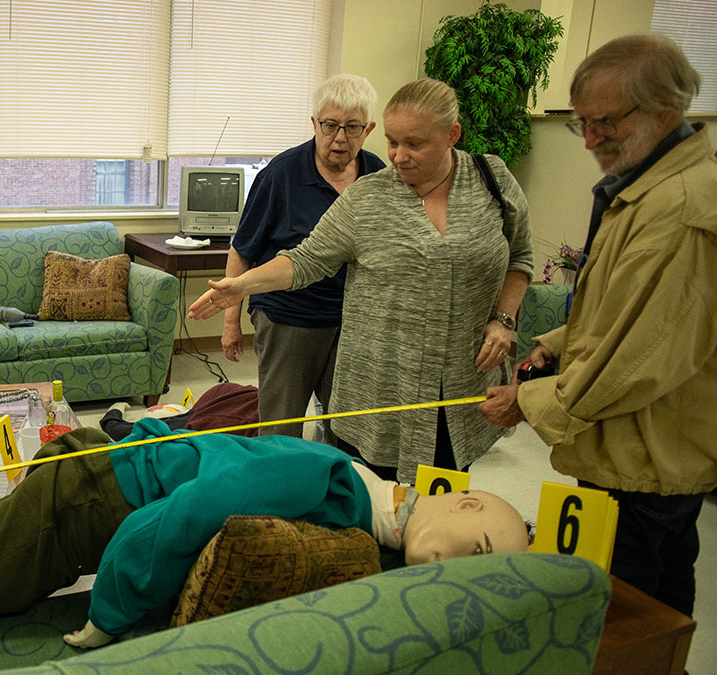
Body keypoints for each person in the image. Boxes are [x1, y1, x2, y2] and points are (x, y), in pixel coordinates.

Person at [0, 422, 530, 648]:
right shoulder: (331, 481)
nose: (465, 566)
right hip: (92, 493)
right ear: (459, 505)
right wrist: (110, 616)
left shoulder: (364, 509)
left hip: (102, 482)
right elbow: (184, 515)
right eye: (481, 549)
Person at [190, 78, 532, 483]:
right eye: (393, 143)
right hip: (377, 372)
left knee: (446, 494)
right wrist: (241, 286)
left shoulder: (492, 180)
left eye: (414, 144)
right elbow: (306, 259)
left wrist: (503, 318)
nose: (399, 156)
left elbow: (520, 255)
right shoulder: (366, 195)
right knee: (367, 487)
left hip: (460, 377)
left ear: (452, 135)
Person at [479, 34, 717, 618]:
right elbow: (619, 307)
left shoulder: (679, 210)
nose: (589, 140)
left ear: (665, 109)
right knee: (649, 592)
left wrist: (531, 402)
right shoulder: (644, 188)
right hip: (627, 444)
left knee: (634, 608)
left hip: (646, 454)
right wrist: (556, 346)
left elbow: (638, 357)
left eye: (604, 122)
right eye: (580, 123)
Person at [222, 73, 385, 441]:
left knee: (348, 428)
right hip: (289, 317)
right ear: (314, 124)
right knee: (281, 426)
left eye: (352, 127)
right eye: (330, 126)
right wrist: (231, 320)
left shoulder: (379, 176)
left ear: (368, 129)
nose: (340, 138)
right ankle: (279, 495)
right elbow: (242, 249)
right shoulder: (280, 175)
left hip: (353, 322)